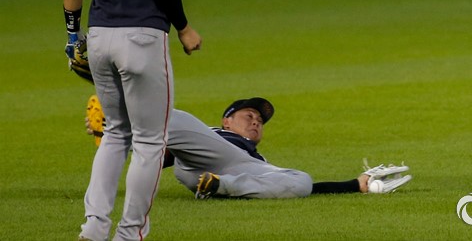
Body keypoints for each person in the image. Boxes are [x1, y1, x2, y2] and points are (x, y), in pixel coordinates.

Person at [64, 0, 202, 241]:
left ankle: (93, 227)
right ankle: (130, 234)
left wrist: (73, 35)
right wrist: (184, 28)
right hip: (142, 38)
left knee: (114, 134)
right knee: (149, 141)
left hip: (100, 36)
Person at [86, 97, 412, 198]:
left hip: (231, 175)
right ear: (227, 121)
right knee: (176, 116)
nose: (256, 122)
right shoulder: (212, 133)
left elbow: (304, 188)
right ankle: (114, 123)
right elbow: (160, 158)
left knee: (300, 180)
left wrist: (355, 185)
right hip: (197, 161)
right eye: (249, 116)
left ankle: (219, 186)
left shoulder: (260, 159)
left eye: (260, 120)